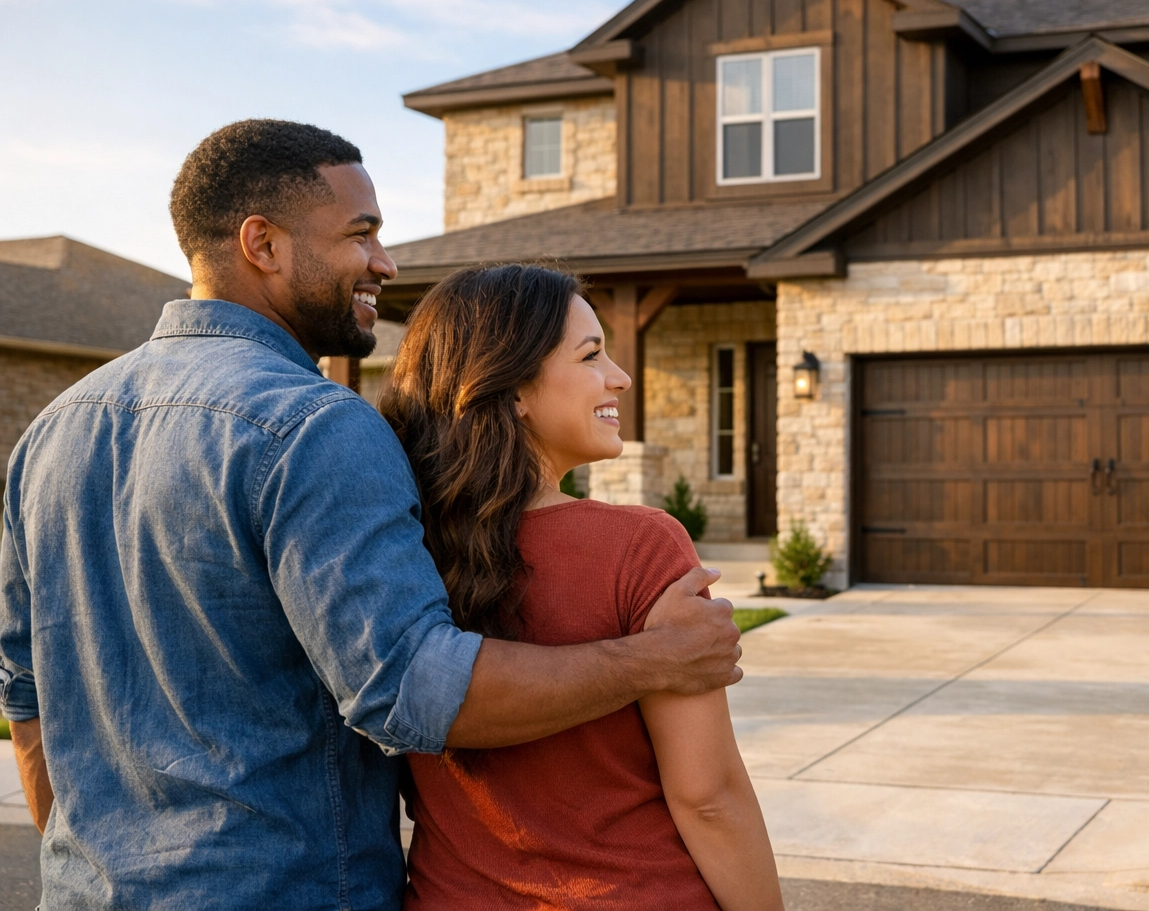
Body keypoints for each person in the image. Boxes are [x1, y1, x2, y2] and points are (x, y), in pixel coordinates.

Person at [0, 119, 743, 909]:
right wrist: (651, 660)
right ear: (264, 243)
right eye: (362, 235)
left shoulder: (51, 432)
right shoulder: (313, 425)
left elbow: (28, 702)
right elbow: (410, 689)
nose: (384, 263)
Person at [380, 264, 781, 911]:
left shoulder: (397, 554)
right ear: (512, 391)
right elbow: (709, 797)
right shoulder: (641, 547)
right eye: (592, 356)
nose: (619, 376)